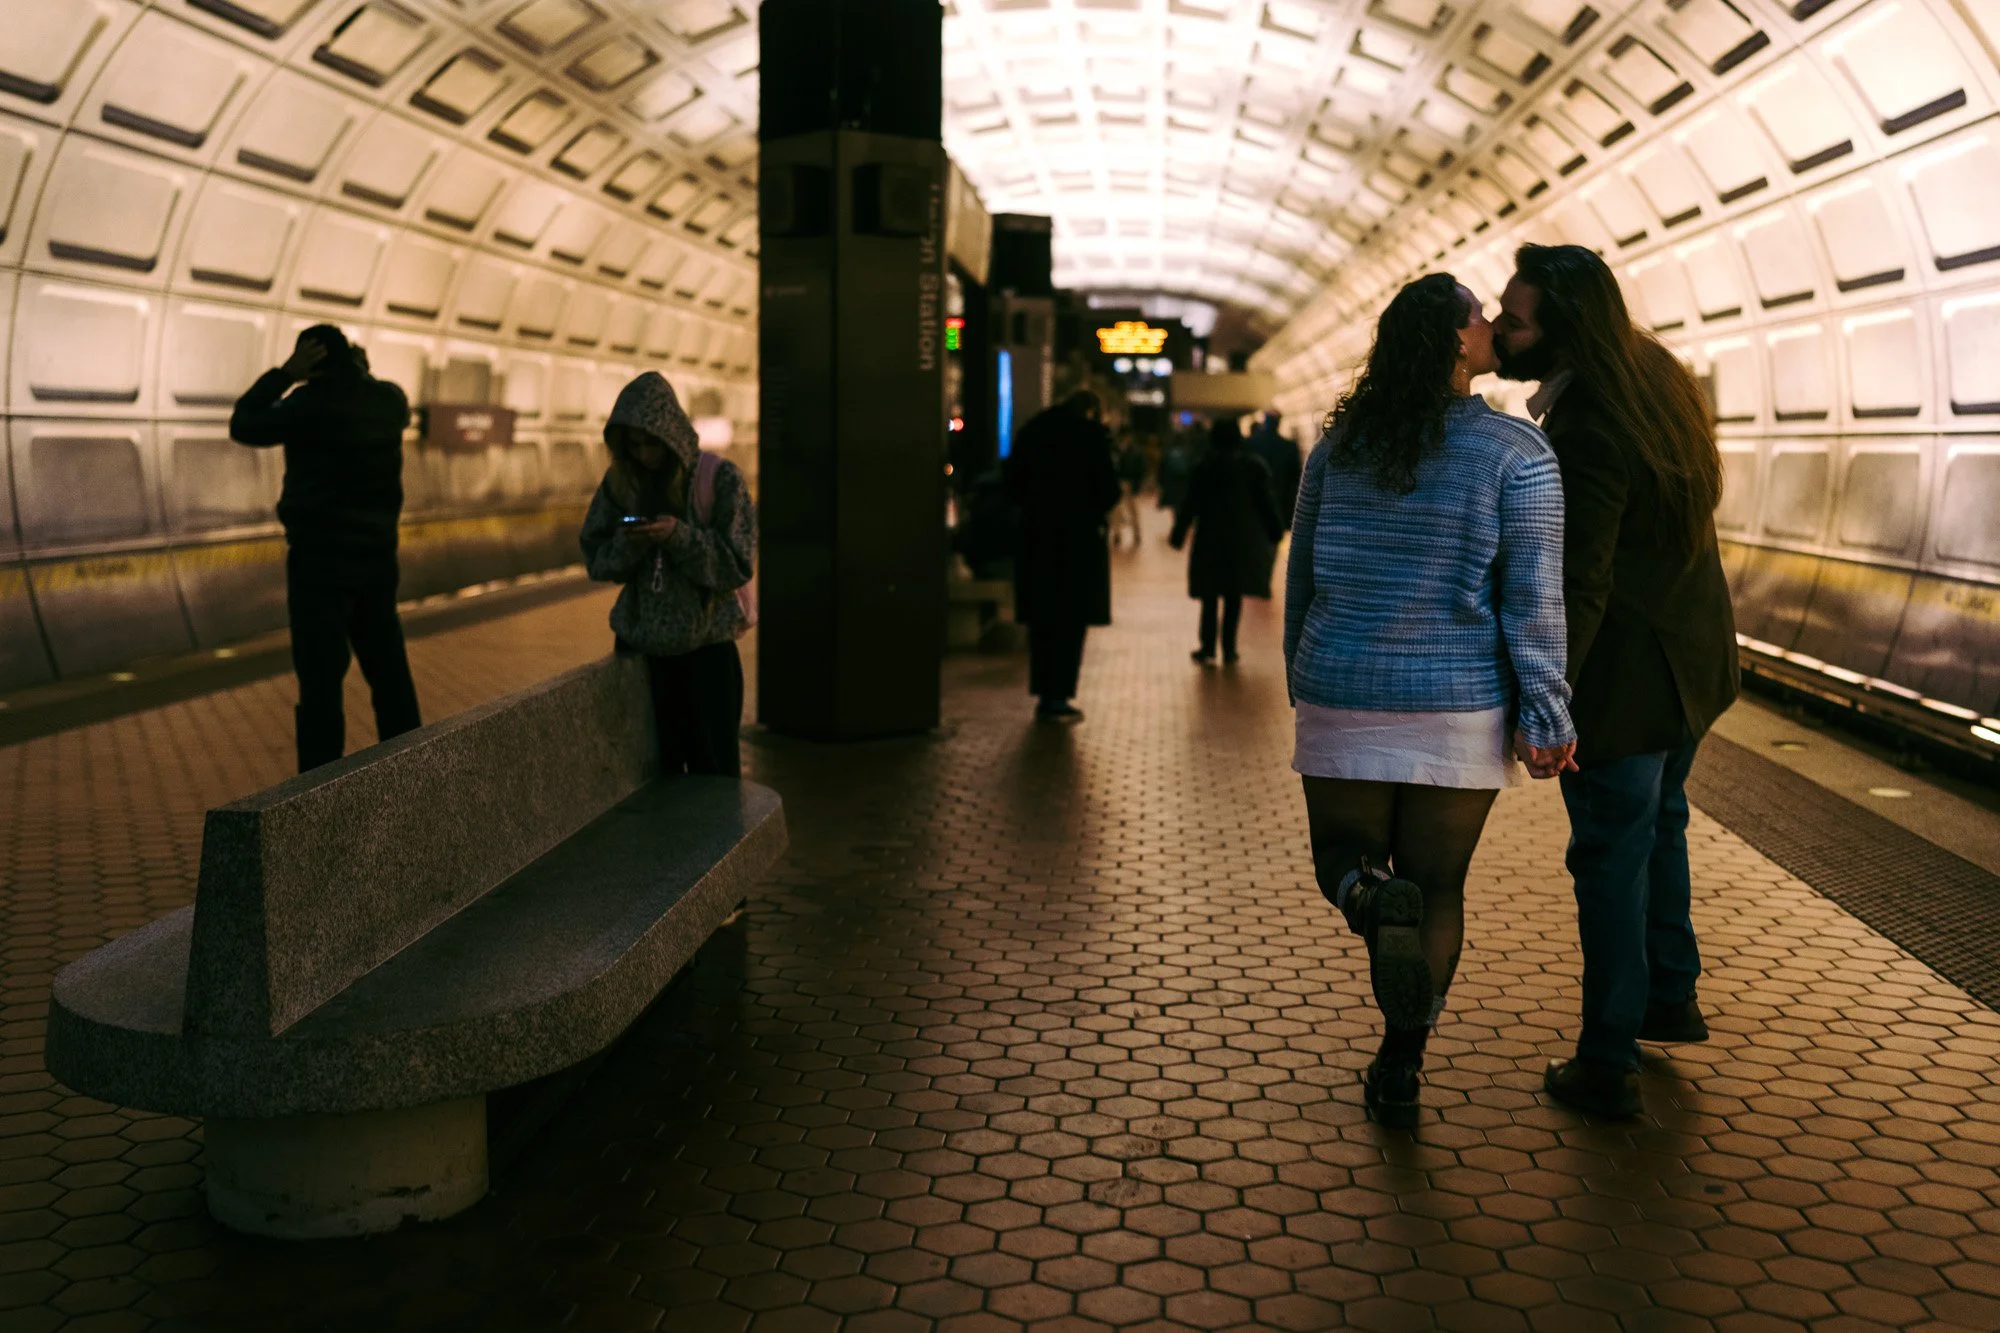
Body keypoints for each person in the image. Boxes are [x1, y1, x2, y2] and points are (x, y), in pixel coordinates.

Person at [1286, 274, 1576, 1128]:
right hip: (1459, 705)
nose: (1492, 326)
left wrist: (1304, 677)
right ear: (1455, 341)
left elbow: (1302, 575)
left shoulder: (1339, 448)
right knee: (1440, 886)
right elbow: (1533, 600)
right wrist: (1548, 717)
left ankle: (1368, 897)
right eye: (1481, 316)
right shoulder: (1517, 454)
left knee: (1340, 856)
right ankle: (1401, 1062)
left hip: (1344, 686)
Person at [1495, 244, 1738, 1119]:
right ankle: (1669, 993)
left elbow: (1579, 580)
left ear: (1560, 328)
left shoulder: (1589, 420)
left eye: (1514, 318)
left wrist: (1546, 700)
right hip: (1694, 665)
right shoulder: (1654, 373)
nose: (1499, 326)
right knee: (1658, 825)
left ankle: (1606, 1060)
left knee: (1607, 856)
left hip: (1631, 684)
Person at [230, 324, 420, 773]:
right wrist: (360, 369)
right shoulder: (388, 401)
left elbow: (245, 422)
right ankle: (415, 769)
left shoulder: (306, 404)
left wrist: (285, 374)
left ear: (310, 362)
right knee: (389, 672)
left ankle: (319, 788)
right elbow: (384, 396)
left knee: (320, 683)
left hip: (318, 564)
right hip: (376, 560)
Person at [579, 371, 756, 776]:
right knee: (649, 780)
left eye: (652, 444)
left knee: (713, 783)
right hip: (639, 652)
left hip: (706, 656)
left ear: (672, 434)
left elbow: (737, 563)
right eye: (634, 446)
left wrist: (679, 537)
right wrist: (632, 543)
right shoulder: (621, 484)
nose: (644, 455)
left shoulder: (719, 479)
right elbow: (597, 559)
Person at [1003, 390, 1122, 721]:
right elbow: (1109, 490)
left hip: (1037, 538)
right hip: (1078, 542)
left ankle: (1043, 693)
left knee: (1043, 620)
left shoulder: (1033, 431)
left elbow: (1011, 483)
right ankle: (1059, 696)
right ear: (1090, 411)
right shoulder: (1091, 438)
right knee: (1071, 622)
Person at [1171, 416, 1285, 665]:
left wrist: (1178, 535)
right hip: (1239, 540)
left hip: (1210, 538)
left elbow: (1190, 504)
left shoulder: (1204, 466)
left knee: (1209, 597)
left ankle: (1207, 646)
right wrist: (1275, 530)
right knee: (1234, 596)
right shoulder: (1253, 467)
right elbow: (1266, 502)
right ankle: (1230, 648)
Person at [1247, 410, 1303, 521]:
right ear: (1279, 423)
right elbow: (1295, 478)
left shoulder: (1251, 444)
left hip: (1256, 502)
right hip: (1282, 501)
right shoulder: (1289, 446)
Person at [1112, 433, 1149, 547]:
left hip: (1129, 483)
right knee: (1118, 510)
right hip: (1122, 483)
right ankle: (1118, 533)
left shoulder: (1127, 453)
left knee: (1131, 510)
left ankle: (1135, 533)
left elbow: (1141, 469)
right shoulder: (1121, 452)